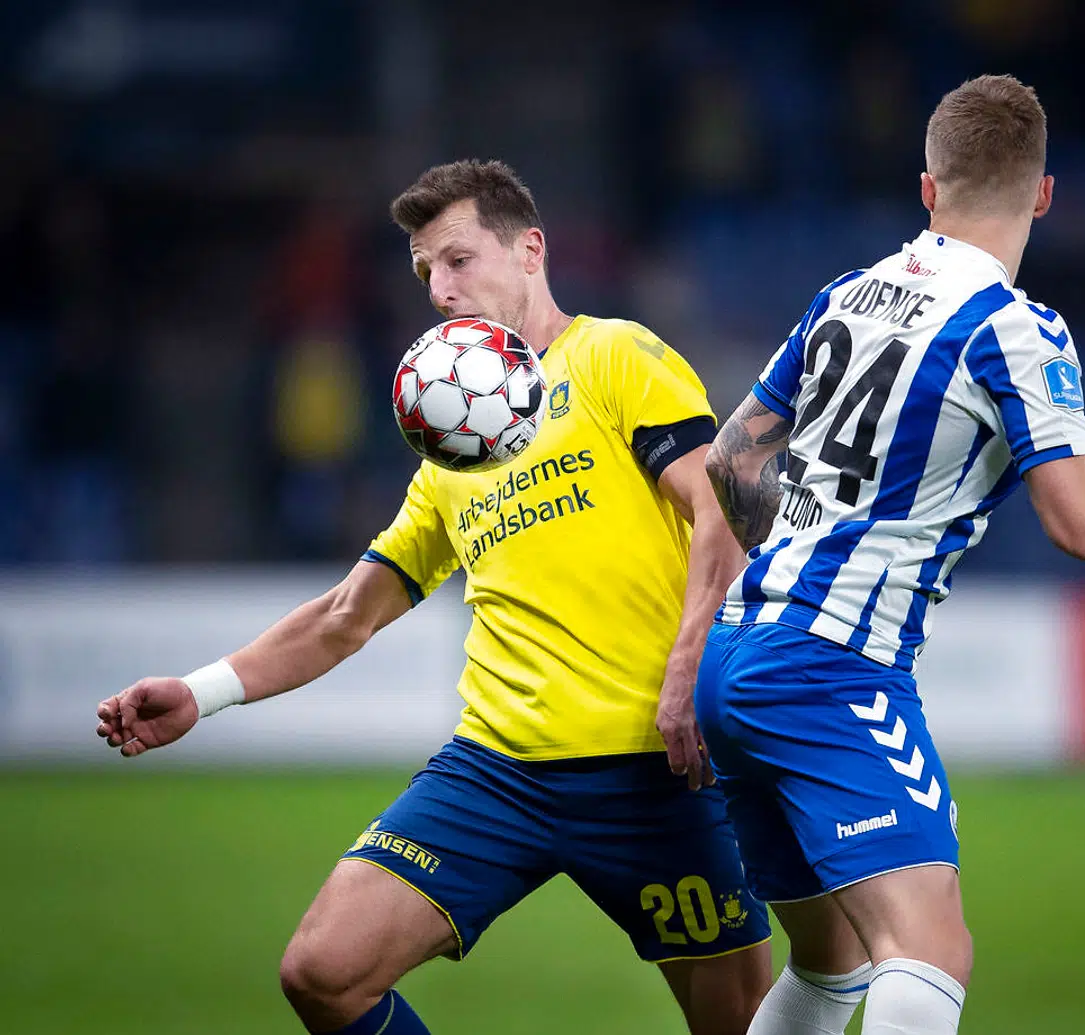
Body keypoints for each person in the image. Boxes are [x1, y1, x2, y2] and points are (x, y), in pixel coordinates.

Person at [95, 159, 771, 1035]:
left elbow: (722, 507)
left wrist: (689, 670)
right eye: (424, 273)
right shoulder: (453, 451)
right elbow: (347, 615)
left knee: (745, 1027)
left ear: (530, 250)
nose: (439, 288)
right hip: (500, 768)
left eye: (456, 260)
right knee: (322, 971)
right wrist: (201, 690)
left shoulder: (613, 357)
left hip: (657, 770)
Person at [694, 75, 1085, 1035]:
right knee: (928, 949)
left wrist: (799, 544)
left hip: (736, 650)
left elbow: (729, 455)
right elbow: (1083, 522)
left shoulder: (845, 293)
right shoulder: (1015, 326)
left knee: (832, 961)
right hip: (828, 663)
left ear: (928, 188)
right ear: (1043, 195)